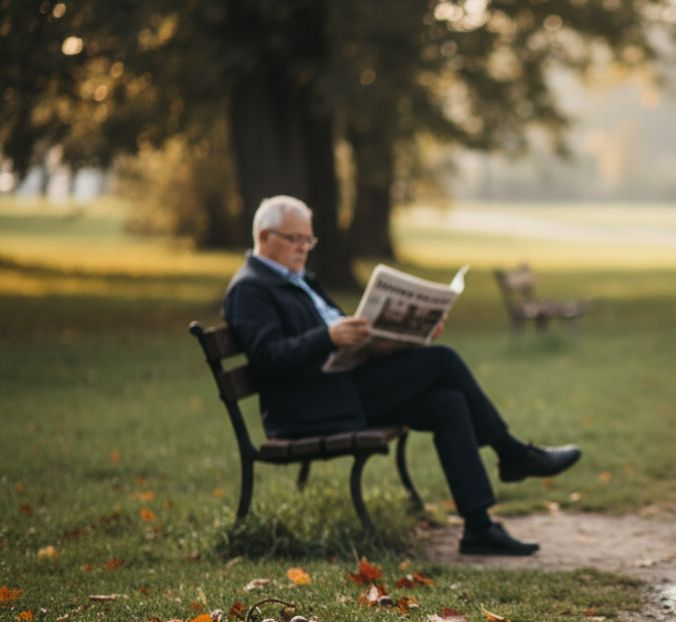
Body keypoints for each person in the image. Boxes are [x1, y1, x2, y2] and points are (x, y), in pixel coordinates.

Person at [224, 195, 581, 556]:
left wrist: (397, 337)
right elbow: (269, 359)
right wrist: (327, 337)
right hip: (309, 409)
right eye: (294, 239)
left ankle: (479, 527)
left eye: (308, 240)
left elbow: (343, 336)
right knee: (442, 362)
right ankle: (512, 453)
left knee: (448, 403)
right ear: (265, 236)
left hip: (341, 389)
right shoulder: (251, 289)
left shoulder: (300, 280)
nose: (304, 247)